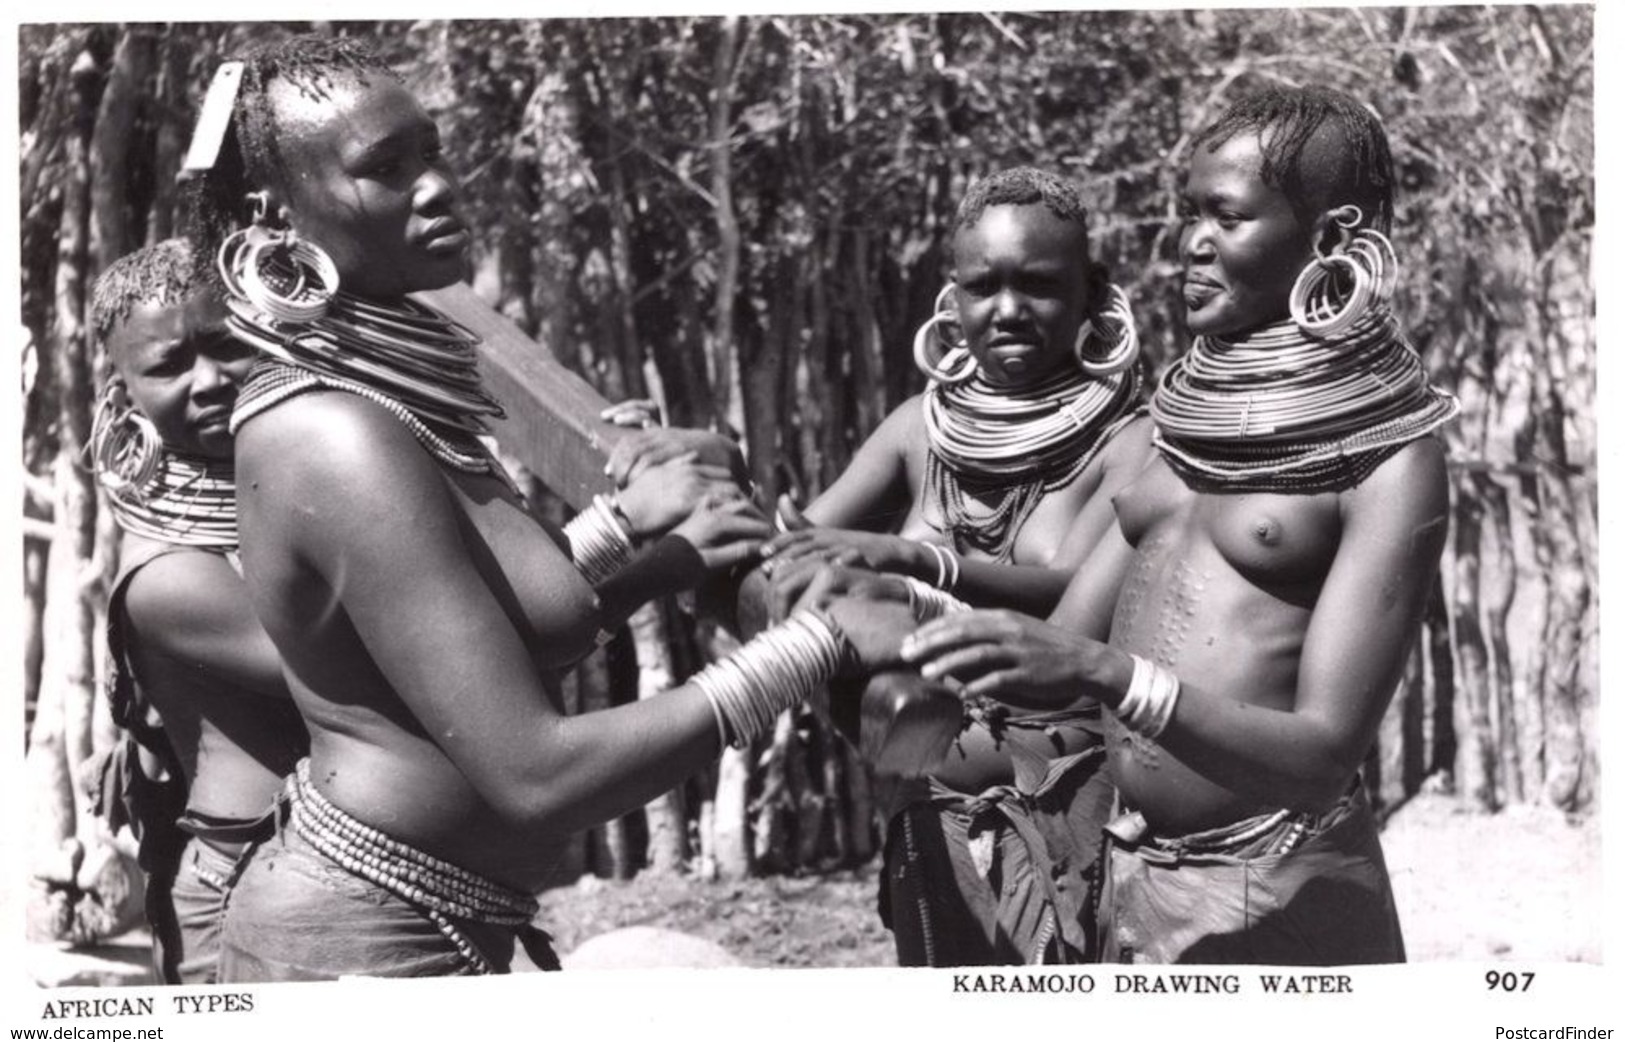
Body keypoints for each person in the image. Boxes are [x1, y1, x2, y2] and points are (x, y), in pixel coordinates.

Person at [176, 34, 904, 980]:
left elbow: (488, 623)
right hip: (362, 950)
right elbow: (534, 774)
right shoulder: (332, 434)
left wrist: (648, 545)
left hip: (419, 926)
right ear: (277, 214)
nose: (436, 185)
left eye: (431, 151)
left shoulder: (395, 400)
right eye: (385, 170)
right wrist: (816, 645)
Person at [888, 85, 1456, 964]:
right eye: (1189, 213)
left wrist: (1113, 676)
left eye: (1225, 217)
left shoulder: (1386, 461)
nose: (1190, 242)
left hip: (1278, 894)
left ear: (1332, 240)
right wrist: (874, 617)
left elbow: (1320, 757)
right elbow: (1058, 665)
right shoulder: (1185, 428)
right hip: (1131, 887)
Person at [753, 168, 1152, 965]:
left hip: (1080, 823)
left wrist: (911, 565)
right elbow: (788, 558)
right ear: (952, 297)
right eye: (983, 287)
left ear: (1091, 292)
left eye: (1038, 285)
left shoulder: (1130, 441)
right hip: (927, 808)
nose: (1006, 310)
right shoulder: (914, 432)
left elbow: (1074, 596)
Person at [86, 239, 308, 984]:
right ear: (121, 393)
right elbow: (361, 671)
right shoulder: (168, 575)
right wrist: (609, 539)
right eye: (168, 366)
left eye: (224, 344)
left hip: (334, 880)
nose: (210, 380)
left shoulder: (297, 493)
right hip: (239, 896)